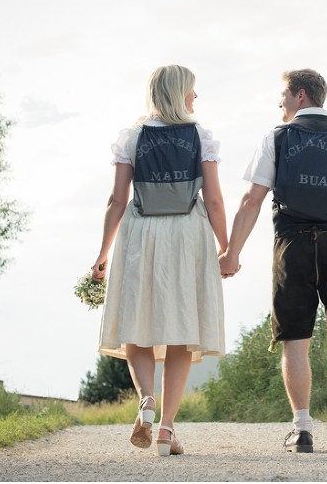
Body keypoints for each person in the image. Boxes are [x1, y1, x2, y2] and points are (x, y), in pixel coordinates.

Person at [219, 69, 327, 453]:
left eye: (283, 95)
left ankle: (303, 429)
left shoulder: (277, 138)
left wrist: (231, 252)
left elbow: (251, 200)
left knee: (295, 339)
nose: (280, 102)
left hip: (292, 245)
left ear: (301, 95)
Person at [91, 65, 227, 457]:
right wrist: (226, 247)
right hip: (187, 233)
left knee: (137, 321)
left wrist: (101, 255)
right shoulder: (200, 136)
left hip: (141, 233)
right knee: (182, 327)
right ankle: (166, 430)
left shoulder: (132, 137)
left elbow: (117, 200)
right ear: (179, 92)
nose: (196, 97)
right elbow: (215, 200)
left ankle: (147, 400)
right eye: (192, 90)